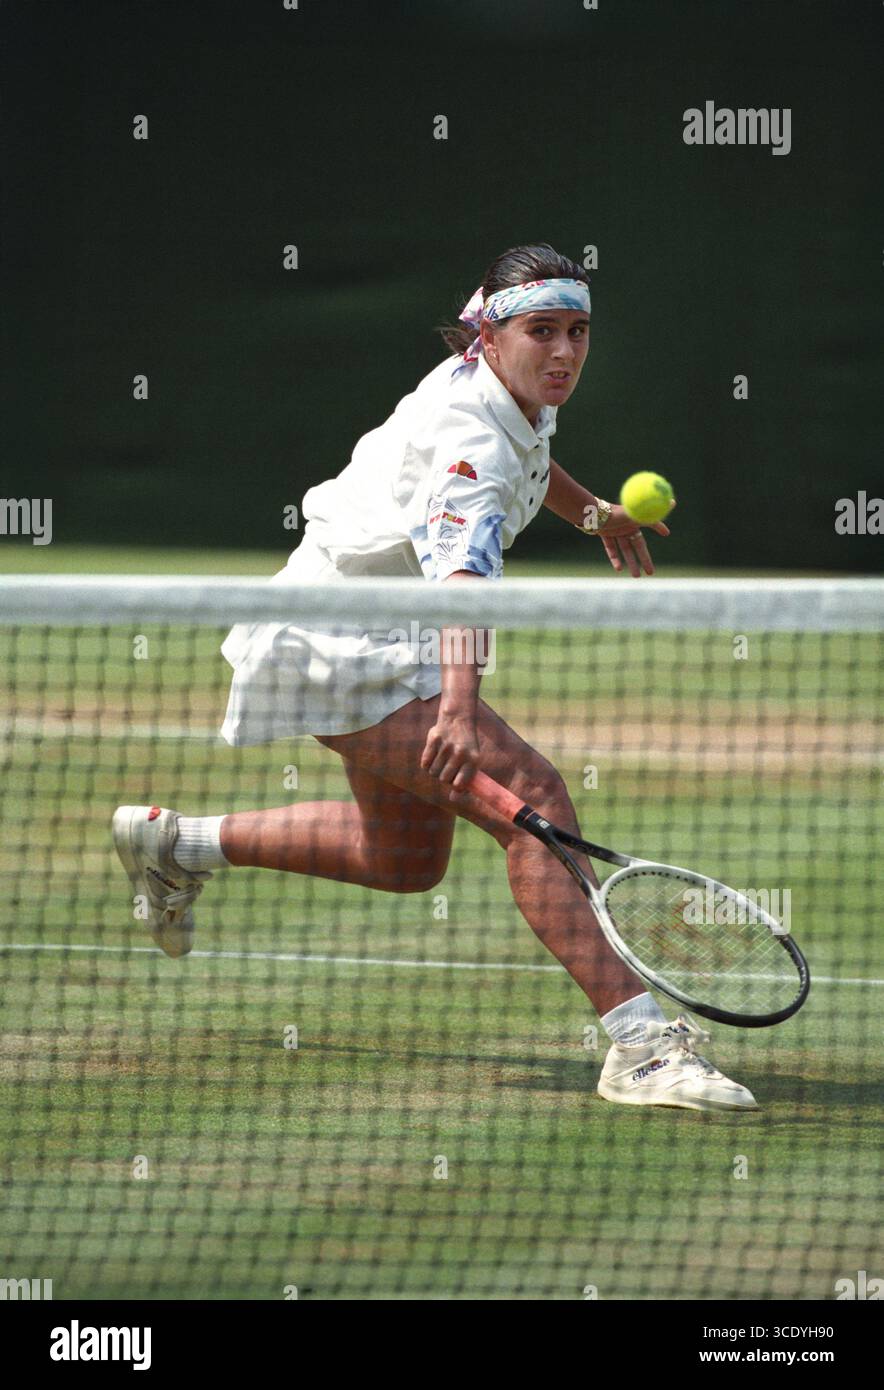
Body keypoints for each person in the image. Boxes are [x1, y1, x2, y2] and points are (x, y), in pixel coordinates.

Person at [113, 243, 756, 1111]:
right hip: (339, 646)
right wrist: (457, 706)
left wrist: (591, 512)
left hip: (377, 632)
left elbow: (534, 463)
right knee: (535, 800)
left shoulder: (507, 391)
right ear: (489, 335)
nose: (564, 352)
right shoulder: (465, 443)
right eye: (542, 332)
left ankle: (176, 845)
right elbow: (462, 580)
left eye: (578, 331)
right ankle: (641, 1047)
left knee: (404, 857)